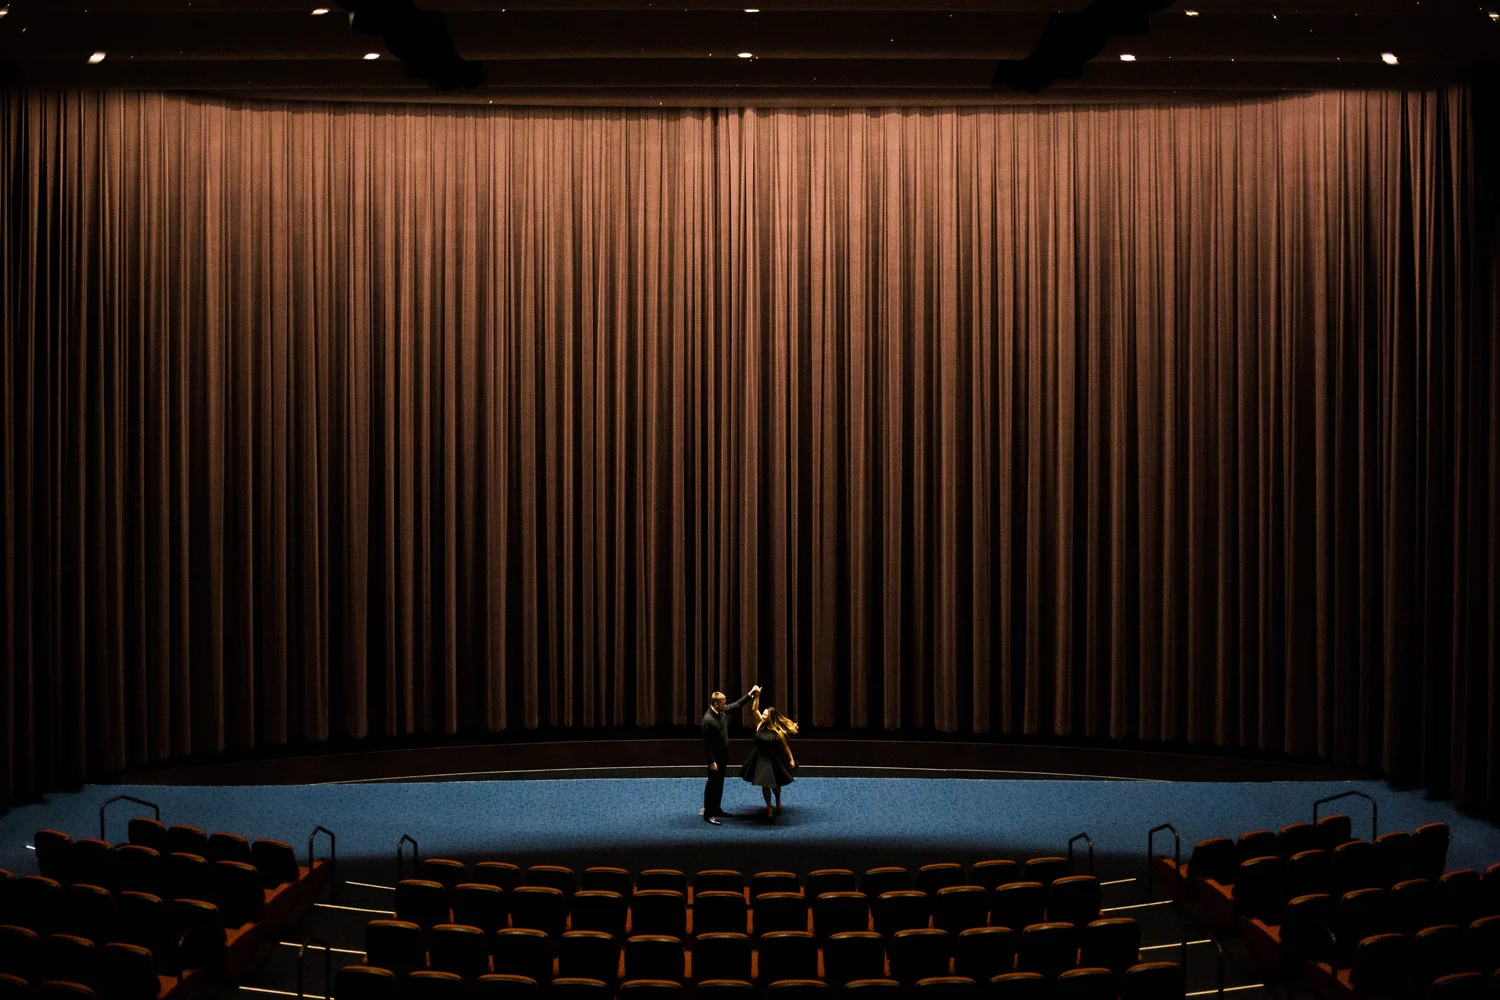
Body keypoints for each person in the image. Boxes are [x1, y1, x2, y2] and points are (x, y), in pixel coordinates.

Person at [701, 684, 759, 824]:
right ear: (715, 703)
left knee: (719, 783)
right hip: (715, 760)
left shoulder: (721, 712)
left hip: (723, 757)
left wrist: (750, 694)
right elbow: (706, 744)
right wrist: (711, 762)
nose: (725, 705)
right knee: (712, 785)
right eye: (723, 703)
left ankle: (717, 808)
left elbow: (737, 705)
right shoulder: (707, 720)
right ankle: (708, 814)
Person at [741, 690, 798, 819]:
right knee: (764, 784)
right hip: (760, 758)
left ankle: (777, 799)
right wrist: (757, 696)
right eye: (763, 714)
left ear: (771, 717)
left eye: (765, 714)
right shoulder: (760, 723)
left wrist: (791, 760)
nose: (763, 715)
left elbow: (785, 747)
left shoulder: (778, 732)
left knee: (775, 785)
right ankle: (769, 807)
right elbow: (754, 709)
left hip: (773, 759)